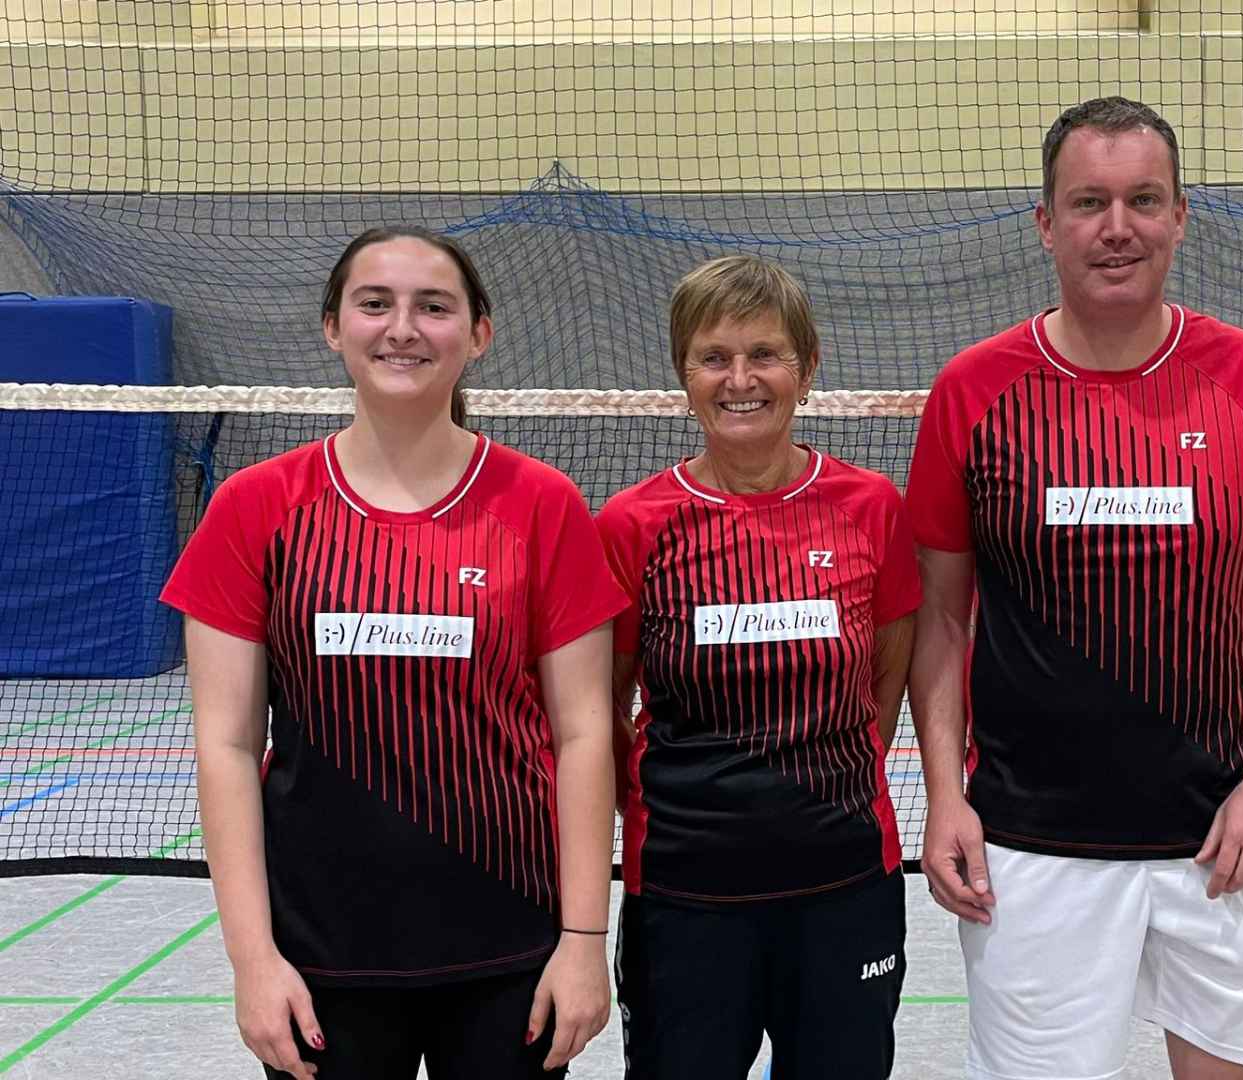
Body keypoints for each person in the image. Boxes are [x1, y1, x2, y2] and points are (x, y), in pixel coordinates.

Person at [906, 96, 1243, 1080]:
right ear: (1046, 222)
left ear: (1182, 215)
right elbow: (938, 613)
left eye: (1144, 200)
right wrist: (943, 793)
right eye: (1089, 203)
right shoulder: (974, 392)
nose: (1118, 228)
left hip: (1223, 839)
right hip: (1031, 850)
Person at [161, 226, 626, 1079]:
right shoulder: (255, 508)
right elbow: (225, 745)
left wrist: (584, 941)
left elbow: (585, 734)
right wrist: (253, 960)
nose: (402, 327)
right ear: (333, 326)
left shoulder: (543, 504)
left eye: (433, 306)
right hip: (320, 954)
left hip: (510, 948)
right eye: (374, 304)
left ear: (479, 334)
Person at [595, 254, 919, 1080]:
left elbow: (887, 676)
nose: (741, 379)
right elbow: (603, 706)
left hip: (844, 883)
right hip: (684, 896)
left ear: (806, 369)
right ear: (685, 374)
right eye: (714, 357)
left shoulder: (870, 507)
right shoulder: (633, 526)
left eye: (765, 354)